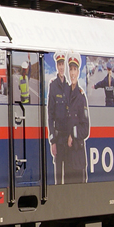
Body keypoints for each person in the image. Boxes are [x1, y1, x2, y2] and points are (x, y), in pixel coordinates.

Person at [60, 53, 90, 183]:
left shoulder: (81, 97)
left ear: (78, 72)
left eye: (75, 69)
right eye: (70, 69)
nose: (72, 73)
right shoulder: (65, 93)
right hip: (67, 157)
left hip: (77, 157)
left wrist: (73, 134)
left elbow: (85, 128)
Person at [47, 52, 71, 182]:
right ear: (56, 66)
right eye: (59, 64)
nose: (61, 67)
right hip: (58, 138)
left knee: (68, 175)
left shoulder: (69, 88)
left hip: (68, 139)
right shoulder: (53, 86)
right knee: (58, 175)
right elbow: (50, 115)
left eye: (63, 65)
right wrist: (52, 142)